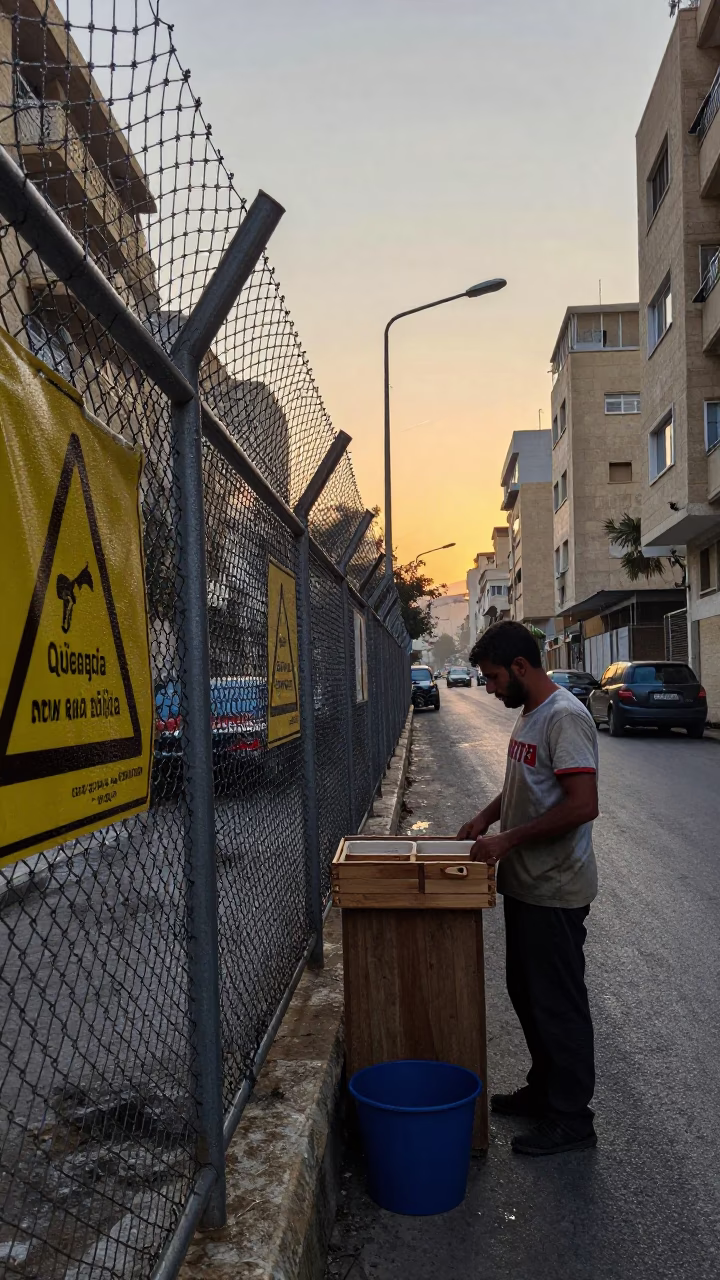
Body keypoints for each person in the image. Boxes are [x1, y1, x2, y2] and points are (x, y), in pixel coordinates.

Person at [458, 620, 599, 1157]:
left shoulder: (564, 717)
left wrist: (508, 840)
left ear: (521, 668)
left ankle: (571, 1117)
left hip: (555, 889)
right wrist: (485, 818)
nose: (489, 688)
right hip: (526, 886)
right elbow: (523, 783)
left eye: (493, 678)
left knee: (557, 1003)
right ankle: (545, 1090)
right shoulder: (531, 714)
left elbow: (583, 804)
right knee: (528, 994)